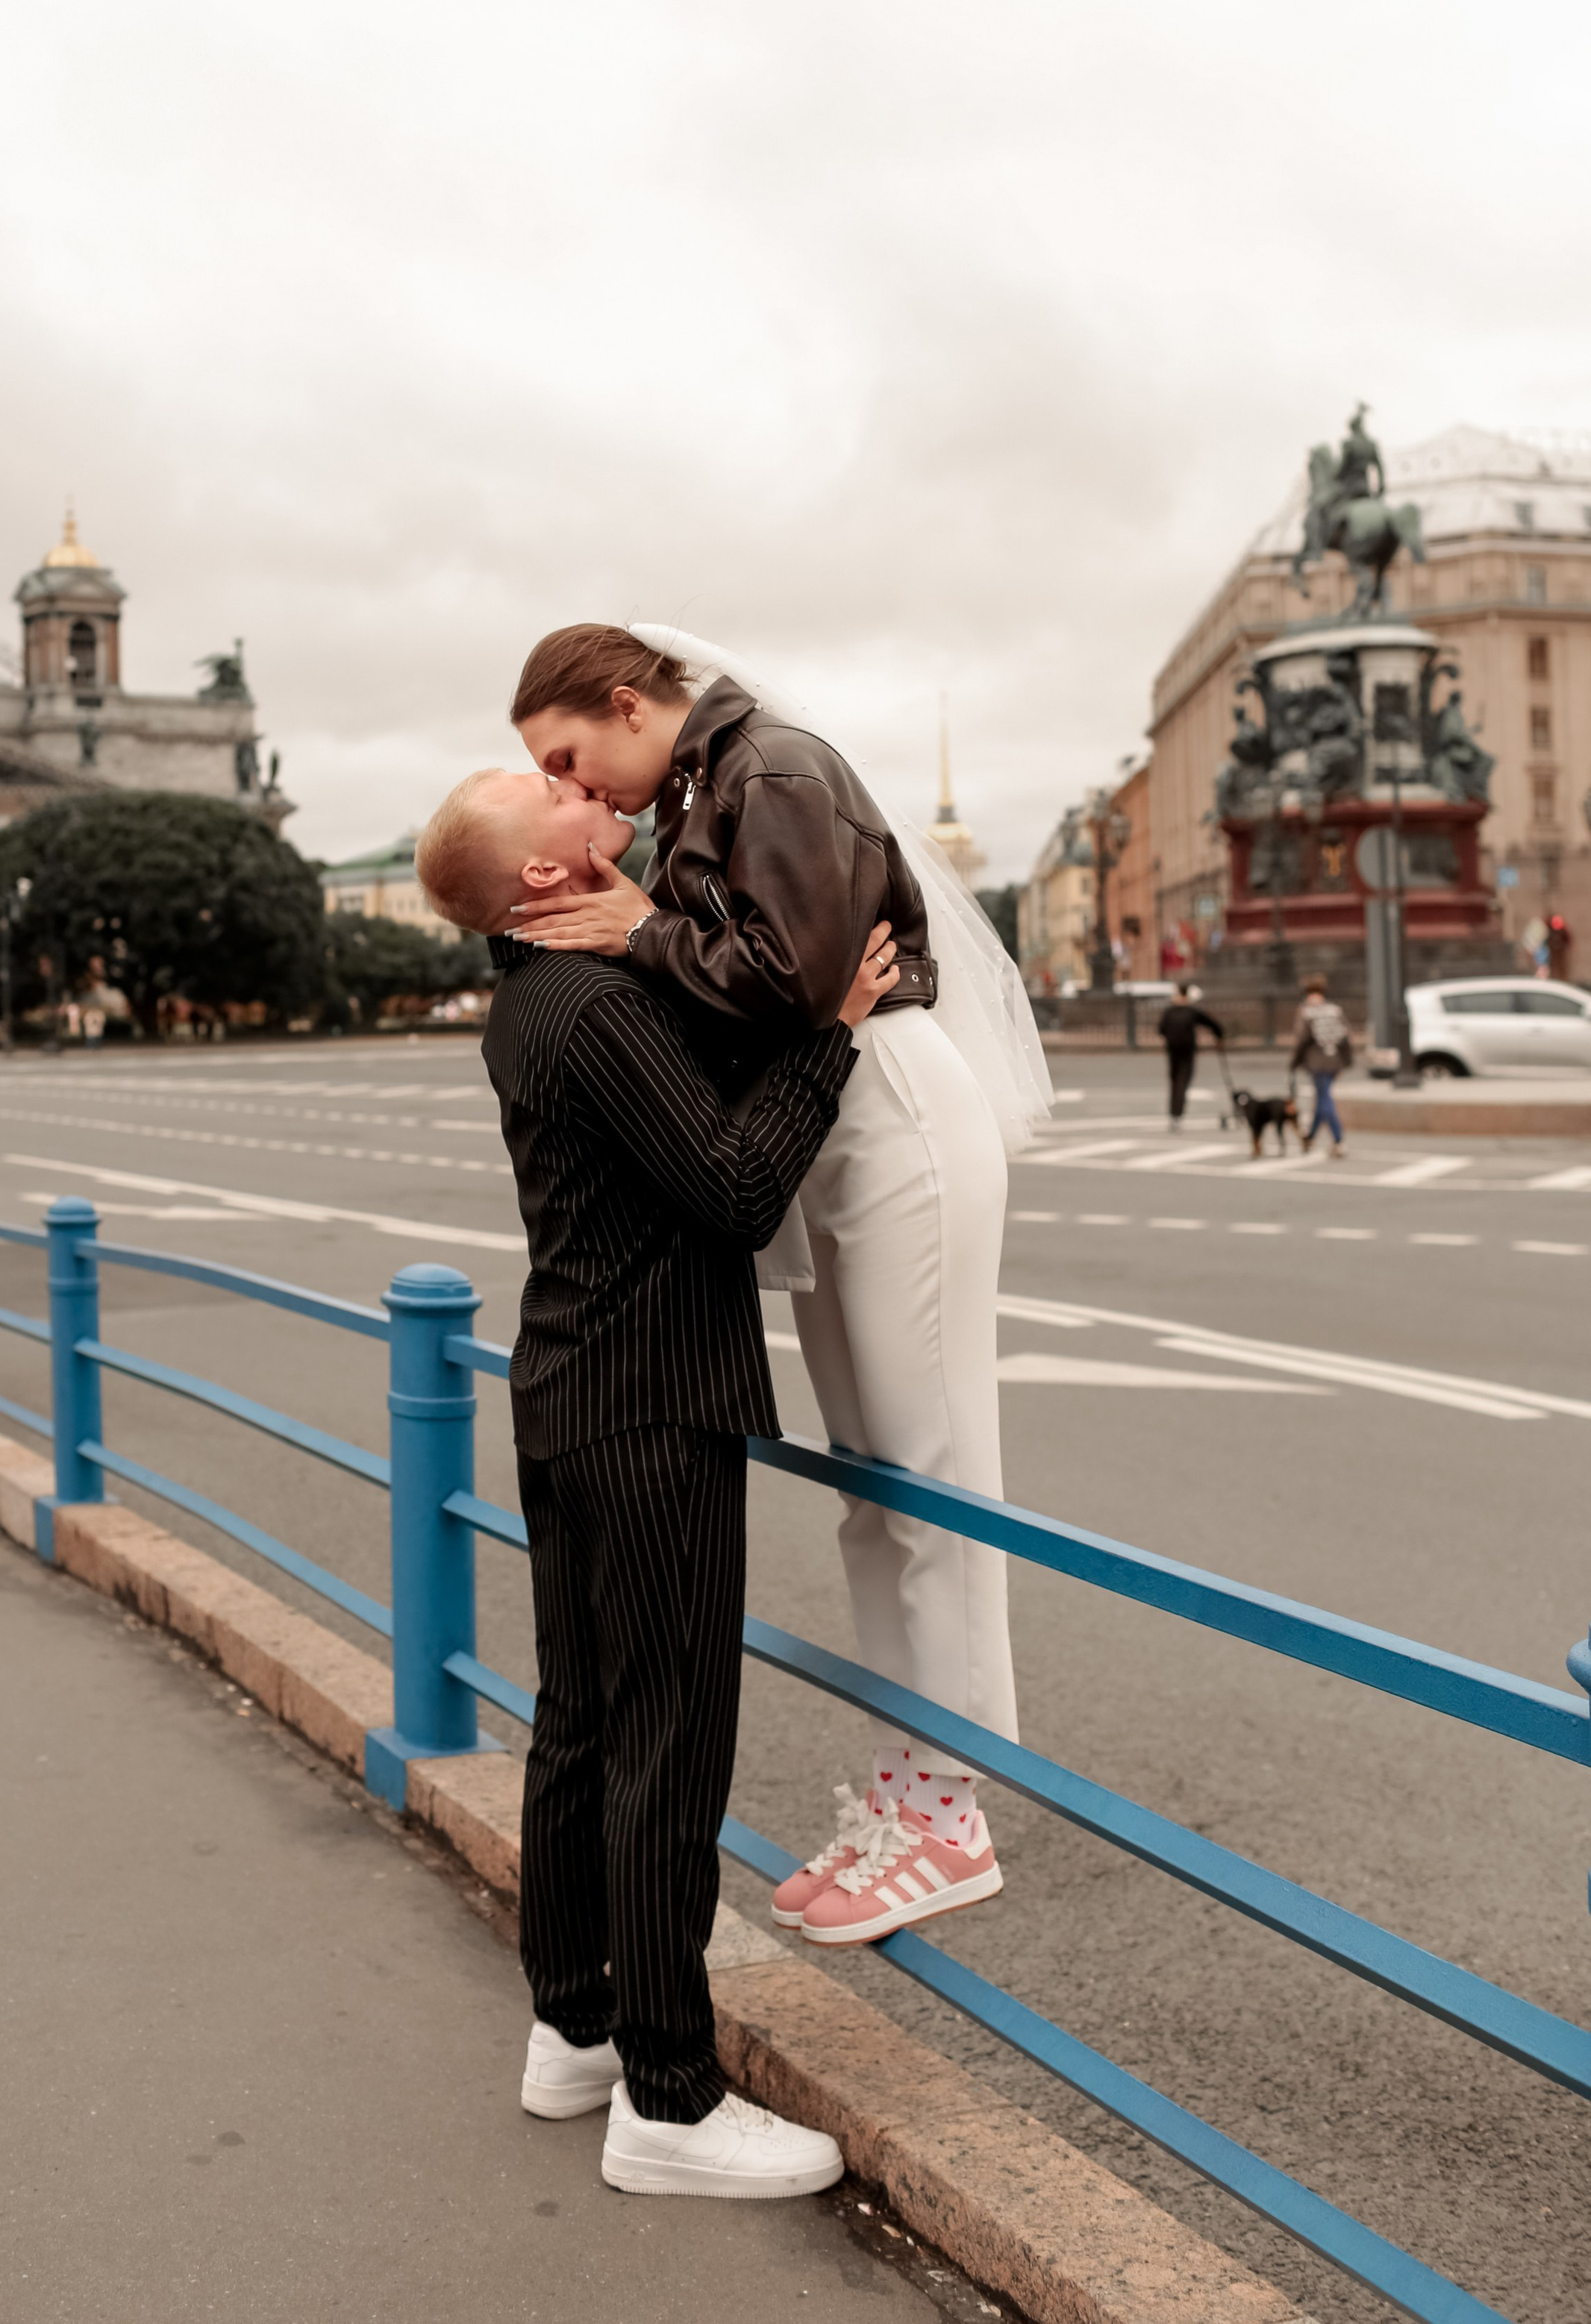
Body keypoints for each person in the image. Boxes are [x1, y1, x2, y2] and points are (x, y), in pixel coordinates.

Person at [505, 622, 1051, 1946]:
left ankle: (952, 1814)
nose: (581, 797)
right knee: (875, 1486)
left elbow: (800, 983)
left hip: (895, 1126)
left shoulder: (777, 771)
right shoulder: (716, 780)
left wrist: (639, 928)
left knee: (929, 1471)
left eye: (573, 762)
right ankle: (908, 1781)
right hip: (839, 1134)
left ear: (632, 703)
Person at [415, 762, 898, 2199]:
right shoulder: (593, 1007)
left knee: (578, 1723)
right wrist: (836, 1031)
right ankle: (671, 2101)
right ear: (545, 880)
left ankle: (572, 2029)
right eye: (550, 800)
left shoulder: (534, 1002)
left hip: (568, 1391)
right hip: (649, 1403)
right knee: (665, 1743)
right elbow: (739, 1190)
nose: (580, 792)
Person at [1293, 977, 1351, 1156]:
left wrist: (1295, 1062)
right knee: (1321, 1099)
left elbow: (1302, 1040)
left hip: (1317, 1062)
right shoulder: (1334, 1010)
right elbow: (1345, 1036)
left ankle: (1338, 1139)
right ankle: (1310, 1137)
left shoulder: (1306, 1012)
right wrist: (1345, 1062)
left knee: (1325, 1100)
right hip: (1334, 1060)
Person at [1156, 980, 1224, 1127]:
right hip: (1187, 1051)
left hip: (1173, 1051)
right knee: (1183, 1082)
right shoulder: (1191, 1011)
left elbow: (1160, 1030)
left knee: (1175, 1083)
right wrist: (1219, 1036)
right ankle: (1177, 1115)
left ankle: (1174, 1115)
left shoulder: (1170, 1011)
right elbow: (1212, 1024)